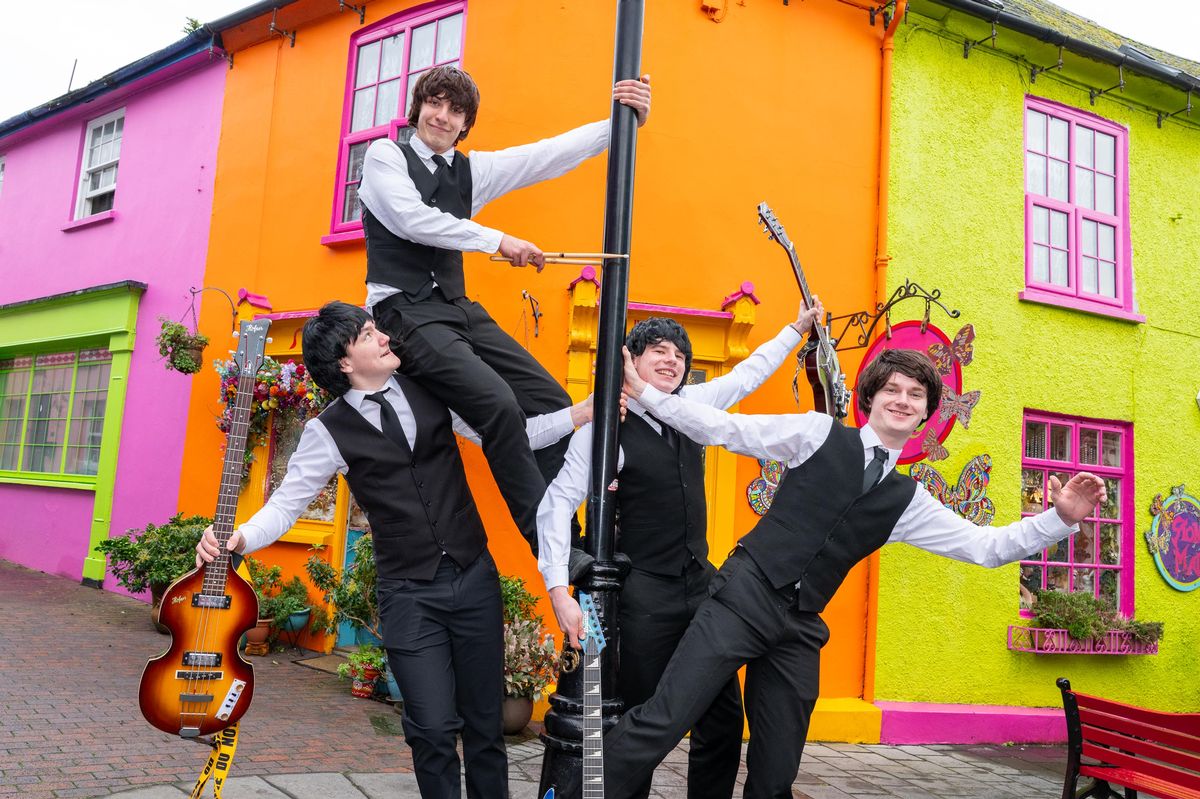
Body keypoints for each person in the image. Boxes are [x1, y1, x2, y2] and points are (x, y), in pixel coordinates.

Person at [585, 299, 1106, 799]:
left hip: (799, 626)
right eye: (892, 390)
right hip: (743, 597)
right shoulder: (816, 434)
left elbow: (986, 547)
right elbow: (723, 428)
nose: (902, 400)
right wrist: (647, 396)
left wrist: (1058, 519)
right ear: (871, 398)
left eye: (915, 395)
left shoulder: (909, 499)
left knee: (776, 769)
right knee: (662, 720)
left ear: (926, 413)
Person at [195, 302, 592, 799]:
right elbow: (286, 504)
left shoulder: (433, 390)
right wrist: (237, 538)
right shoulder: (327, 430)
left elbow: (511, 434)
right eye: (367, 334)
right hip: (408, 594)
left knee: (486, 727)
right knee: (429, 730)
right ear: (344, 362)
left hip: (473, 578)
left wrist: (581, 412)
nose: (383, 337)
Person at [357, 65, 652, 554]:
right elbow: (411, 220)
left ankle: (581, 531)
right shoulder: (386, 156)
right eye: (436, 104)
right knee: (497, 406)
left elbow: (544, 157)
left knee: (551, 400)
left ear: (466, 123)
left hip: (457, 309)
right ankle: (551, 546)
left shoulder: (468, 173)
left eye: (457, 111)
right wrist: (497, 239)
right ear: (418, 107)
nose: (443, 117)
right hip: (404, 313)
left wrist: (622, 123)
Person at [537, 305, 818, 799]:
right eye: (658, 352)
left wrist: (794, 329)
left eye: (679, 354)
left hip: (702, 588)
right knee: (641, 722)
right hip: (644, 596)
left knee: (723, 717)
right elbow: (557, 505)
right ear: (631, 362)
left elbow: (748, 376)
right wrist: (559, 590)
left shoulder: (691, 406)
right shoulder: (607, 427)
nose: (671, 361)